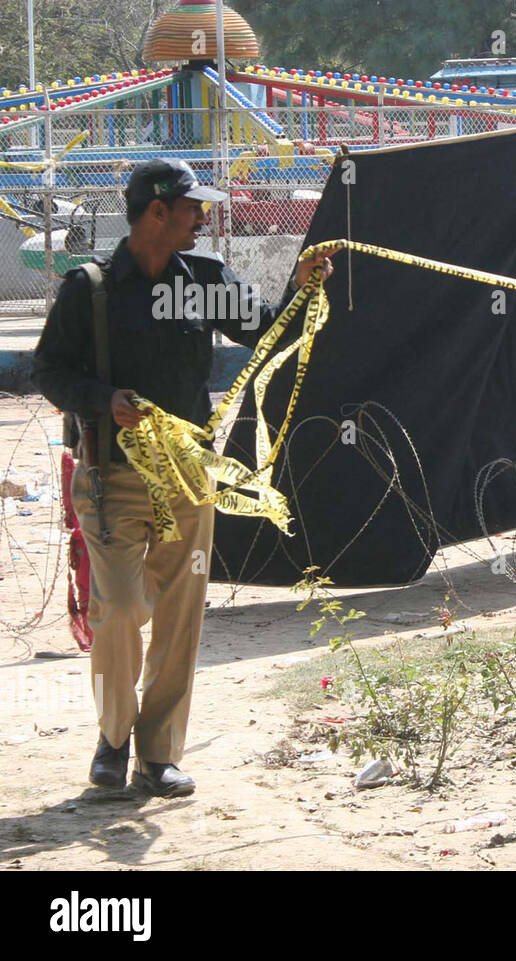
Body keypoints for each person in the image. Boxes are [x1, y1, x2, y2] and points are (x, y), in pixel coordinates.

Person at [32, 158, 336, 797]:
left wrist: (303, 287)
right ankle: (112, 740)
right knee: (116, 610)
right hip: (110, 474)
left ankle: (158, 755)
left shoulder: (204, 279)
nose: (204, 218)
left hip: (190, 476)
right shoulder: (88, 289)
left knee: (179, 613)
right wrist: (104, 398)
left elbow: (264, 328)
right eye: (194, 208)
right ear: (157, 212)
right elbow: (49, 374)